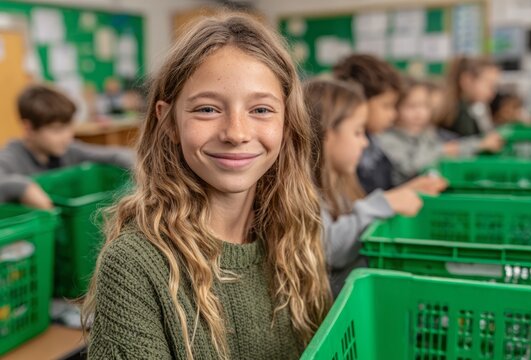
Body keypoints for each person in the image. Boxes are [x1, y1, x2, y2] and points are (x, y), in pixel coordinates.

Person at [82, 14, 332, 359]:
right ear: (169, 122)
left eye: (260, 109)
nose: (236, 133)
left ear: (286, 123)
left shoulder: (296, 232)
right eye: (208, 109)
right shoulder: (134, 266)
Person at [304, 78, 422, 295]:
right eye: (358, 132)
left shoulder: (342, 181)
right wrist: (385, 203)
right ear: (327, 135)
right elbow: (329, 248)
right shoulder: (304, 192)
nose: (365, 142)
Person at [0, 84, 134, 209]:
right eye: (56, 130)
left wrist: (140, 166)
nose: (67, 137)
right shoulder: (12, 157)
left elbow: (116, 155)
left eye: (69, 127)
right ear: (28, 128)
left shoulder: (69, 150)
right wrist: (23, 188)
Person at [333, 54, 448, 193]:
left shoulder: (374, 143)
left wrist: (411, 188)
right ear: (361, 101)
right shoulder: (347, 152)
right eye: (386, 106)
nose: (393, 114)